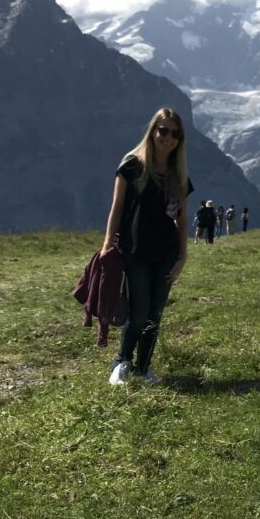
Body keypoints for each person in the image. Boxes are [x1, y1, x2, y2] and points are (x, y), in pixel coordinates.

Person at [102, 107, 193, 385]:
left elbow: (182, 220)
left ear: (179, 140)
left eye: (174, 133)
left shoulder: (178, 176)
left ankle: (144, 368)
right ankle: (122, 362)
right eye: (163, 130)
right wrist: (107, 245)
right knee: (139, 312)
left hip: (166, 254)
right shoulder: (132, 165)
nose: (167, 137)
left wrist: (182, 257)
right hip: (135, 251)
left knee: (155, 313)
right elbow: (116, 208)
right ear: (152, 130)